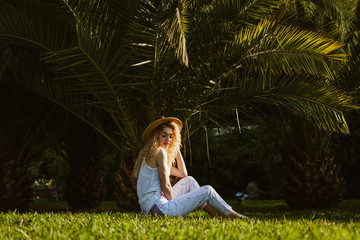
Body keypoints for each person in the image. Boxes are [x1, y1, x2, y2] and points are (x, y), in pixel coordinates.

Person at [134, 116, 247, 218]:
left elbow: (183, 174)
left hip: (150, 209)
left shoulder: (151, 154)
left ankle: (215, 215)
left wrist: (175, 147)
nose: (168, 140)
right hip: (160, 210)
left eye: (171, 137)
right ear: (155, 137)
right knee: (207, 190)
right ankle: (232, 215)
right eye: (164, 136)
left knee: (189, 181)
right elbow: (166, 185)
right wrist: (175, 202)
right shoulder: (160, 152)